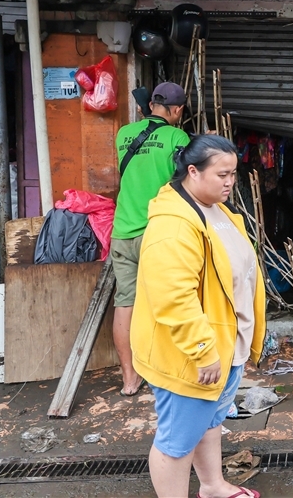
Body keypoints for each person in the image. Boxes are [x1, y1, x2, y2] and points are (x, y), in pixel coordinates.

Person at [131, 135, 265, 498]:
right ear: (192, 171)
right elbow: (173, 297)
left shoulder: (214, 209)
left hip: (224, 346)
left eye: (234, 174)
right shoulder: (174, 225)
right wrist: (204, 349)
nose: (229, 182)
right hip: (194, 354)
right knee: (177, 441)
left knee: (209, 421)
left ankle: (212, 486)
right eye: (222, 174)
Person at [110, 82, 190, 396]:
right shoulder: (177, 137)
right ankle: (170, 373)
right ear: (178, 110)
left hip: (122, 232)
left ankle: (130, 379)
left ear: (149, 105)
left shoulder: (123, 135)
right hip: (157, 232)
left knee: (125, 304)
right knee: (170, 300)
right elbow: (186, 182)